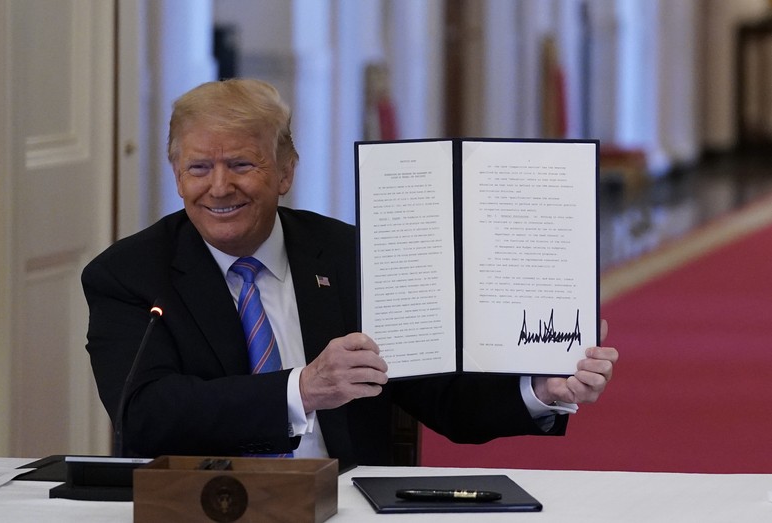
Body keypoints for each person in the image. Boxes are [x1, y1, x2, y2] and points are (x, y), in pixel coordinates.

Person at [82, 78, 618, 470]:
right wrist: (302, 390)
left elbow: (442, 398)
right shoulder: (129, 275)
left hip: (346, 506)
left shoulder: (351, 256)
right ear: (177, 175)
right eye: (199, 168)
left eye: (242, 165)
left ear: (286, 171)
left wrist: (541, 388)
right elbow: (146, 414)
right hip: (202, 507)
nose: (219, 187)